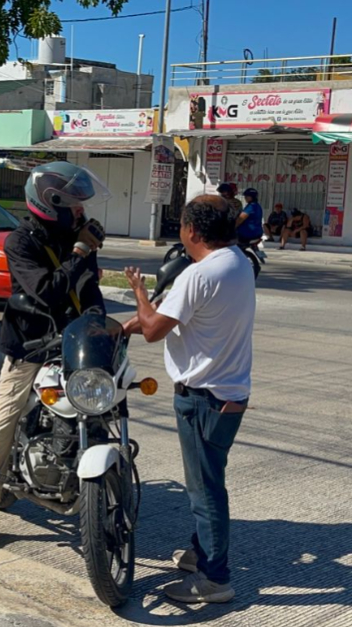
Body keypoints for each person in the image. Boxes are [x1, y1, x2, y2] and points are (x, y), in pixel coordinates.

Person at [0, 161, 110, 553]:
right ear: (52, 204)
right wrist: (81, 250)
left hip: (71, 340)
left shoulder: (75, 237)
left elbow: (88, 289)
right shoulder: (21, 242)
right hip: (29, 344)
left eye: (82, 206)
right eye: (75, 205)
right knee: (7, 420)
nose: (82, 212)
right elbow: (47, 291)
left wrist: (99, 322)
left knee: (107, 398)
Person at [123, 194, 255, 604]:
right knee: (210, 478)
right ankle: (200, 552)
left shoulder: (198, 276)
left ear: (192, 231)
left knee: (204, 489)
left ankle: (214, 579)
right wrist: (132, 323)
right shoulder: (237, 263)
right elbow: (181, 316)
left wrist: (139, 293)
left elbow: (153, 329)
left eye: (181, 224)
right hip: (228, 395)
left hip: (203, 398)